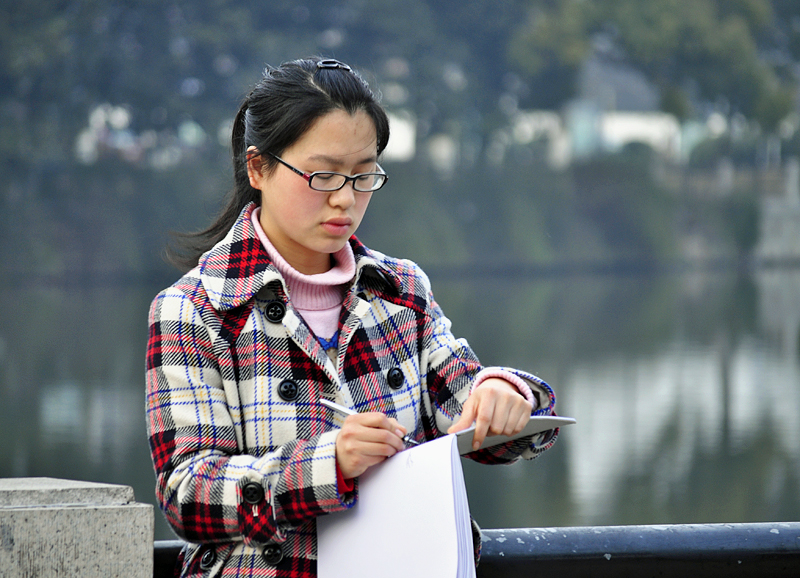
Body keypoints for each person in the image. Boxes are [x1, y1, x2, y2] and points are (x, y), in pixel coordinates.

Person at [146, 56, 559, 578]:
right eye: (323, 175)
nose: (345, 198)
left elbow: (466, 404)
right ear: (258, 168)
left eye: (364, 176)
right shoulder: (195, 309)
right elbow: (187, 495)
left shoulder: (400, 291)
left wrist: (506, 395)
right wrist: (328, 465)